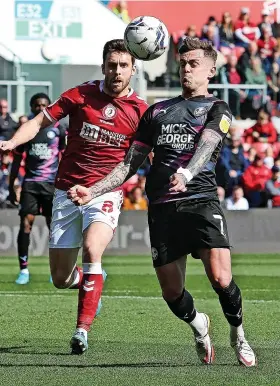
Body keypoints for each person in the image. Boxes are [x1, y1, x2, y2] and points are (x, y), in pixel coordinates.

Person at [67, 37, 256, 367]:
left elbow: (207, 146)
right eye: (183, 63)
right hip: (162, 208)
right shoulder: (157, 111)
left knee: (221, 278)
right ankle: (200, 326)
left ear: (211, 70)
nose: (186, 68)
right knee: (172, 293)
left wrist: (186, 174)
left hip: (201, 201)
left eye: (193, 63)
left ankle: (238, 334)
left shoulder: (217, 108)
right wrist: (94, 190)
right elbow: (130, 162)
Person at [0, 39, 148, 355]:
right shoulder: (81, 94)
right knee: (61, 278)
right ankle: (92, 280)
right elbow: (40, 121)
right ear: (103, 65)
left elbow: (142, 158)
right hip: (67, 192)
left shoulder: (140, 112)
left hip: (104, 192)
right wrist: (13, 142)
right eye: (112, 65)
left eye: (123, 66)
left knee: (94, 248)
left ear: (133, 69)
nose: (117, 71)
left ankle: (81, 331)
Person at [8, 93, 66, 284]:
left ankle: (55, 270)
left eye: (44, 106)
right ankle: (23, 270)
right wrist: (11, 184)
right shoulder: (26, 131)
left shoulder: (59, 129)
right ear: (32, 107)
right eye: (37, 106)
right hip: (31, 184)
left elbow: (65, 158)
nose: (41, 109)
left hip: (51, 184)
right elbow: (16, 160)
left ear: (49, 107)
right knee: (26, 224)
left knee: (54, 227)